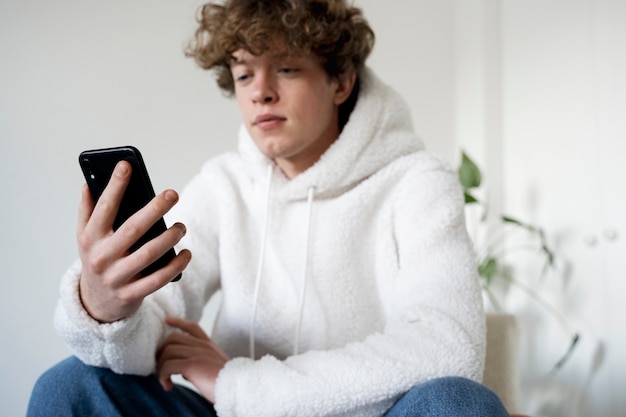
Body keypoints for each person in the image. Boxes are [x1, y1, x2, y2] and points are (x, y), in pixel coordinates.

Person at [28, 0, 510, 416]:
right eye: (243, 73)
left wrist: (242, 387)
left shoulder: (418, 182)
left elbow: (449, 348)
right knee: (69, 387)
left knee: (460, 404)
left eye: (286, 68)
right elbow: (156, 326)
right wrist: (107, 308)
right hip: (234, 415)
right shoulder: (224, 186)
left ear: (340, 81)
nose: (260, 91)